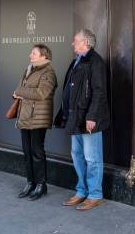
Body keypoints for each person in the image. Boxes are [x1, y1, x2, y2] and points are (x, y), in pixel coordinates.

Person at [54, 29, 110, 211]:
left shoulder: (96, 61)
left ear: (86, 42)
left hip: (88, 119)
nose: (72, 43)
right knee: (77, 155)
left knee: (92, 158)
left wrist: (92, 116)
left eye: (75, 40)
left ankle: (95, 195)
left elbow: (99, 92)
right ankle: (81, 191)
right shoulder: (76, 61)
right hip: (75, 117)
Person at [13, 44, 57, 201]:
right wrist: (19, 92)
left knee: (37, 152)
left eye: (33, 53)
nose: (30, 55)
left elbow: (42, 93)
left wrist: (20, 92)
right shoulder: (28, 69)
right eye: (31, 53)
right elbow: (21, 88)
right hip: (25, 116)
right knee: (27, 152)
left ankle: (41, 185)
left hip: (38, 118)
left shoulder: (48, 71)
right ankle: (30, 183)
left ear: (44, 56)